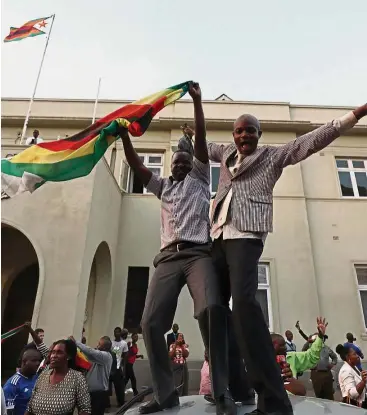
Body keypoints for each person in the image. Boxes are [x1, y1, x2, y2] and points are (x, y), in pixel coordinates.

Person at [208, 103, 367, 415]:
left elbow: (310, 142)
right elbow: (202, 145)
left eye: (250, 130)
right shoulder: (225, 154)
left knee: (243, 305)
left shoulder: (271, 156)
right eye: (239, 130)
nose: (244, 136)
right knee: (211, 310)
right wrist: (195, 116)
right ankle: (232, 387)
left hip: (246, 235)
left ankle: (273, 400)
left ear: (259, 134)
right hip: (217, 236)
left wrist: (357, 114)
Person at [120, 82, 237, 415]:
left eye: (186, 163)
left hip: (198, 254)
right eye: (177, 164)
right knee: (151, 323)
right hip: (169, 258)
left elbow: (200, 141)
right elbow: (137, 166)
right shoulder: (163, 186)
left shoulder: (199, 178)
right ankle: (165, 393)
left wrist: (198, 103)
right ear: (171, 166)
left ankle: (221, 390)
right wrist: (124, 135)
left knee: (211, 309)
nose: (181, 166)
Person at [25, 339, 91, 415]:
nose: (53, 356)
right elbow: (29, 407)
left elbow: (85, 410)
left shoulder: (77, 378)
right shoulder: (43, 375)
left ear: (68, 356)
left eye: (59, 352)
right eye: (53, 352)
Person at [71, 336, 113, 415]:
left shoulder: (106, 356)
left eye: (99, 344)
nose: (97, 346)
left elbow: (91, 352)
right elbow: (89, 355)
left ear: (105, 347)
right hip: (93, 393)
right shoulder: (99, 358)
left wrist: (76, 342)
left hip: (99, 394)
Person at [3, 348, 43, 415]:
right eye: (34, 360)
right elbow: (8, 411)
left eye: (39, 360)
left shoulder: (37, 376)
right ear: (24, 362)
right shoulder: (12, 384)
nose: (38, 363)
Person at [302, 332, 337, 400]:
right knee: (319, 395)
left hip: (326, 374)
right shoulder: (310, 347)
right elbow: (303, 351)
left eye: (322, 338)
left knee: (329, 395)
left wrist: (332, 364)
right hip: (316, 374)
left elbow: (334, 357)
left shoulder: (327, 348)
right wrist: (308, 341)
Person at [110, 327, 128, 407]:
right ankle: (106, 404)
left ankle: (120, 403)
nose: (116, 334)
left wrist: (124, 370)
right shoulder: (111, 343)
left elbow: (125, 357)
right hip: (110, 367)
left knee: (119, 387)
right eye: (115, 332)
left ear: (120, 333)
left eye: (118, 332)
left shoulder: (124, 343)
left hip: (117, 368)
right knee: (107, 386)